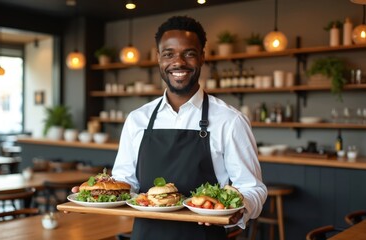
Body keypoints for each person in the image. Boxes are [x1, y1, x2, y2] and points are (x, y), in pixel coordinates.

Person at [74, 16, 267, 240]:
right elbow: (127, 183)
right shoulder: (138, 119)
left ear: (202, 57)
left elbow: (253, 188)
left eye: (189, 53)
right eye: (169, 54)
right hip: (145, 235)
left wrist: (239, 209)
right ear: (159, 59)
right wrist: (98, 192)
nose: (178, 62)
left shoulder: (229, 120)